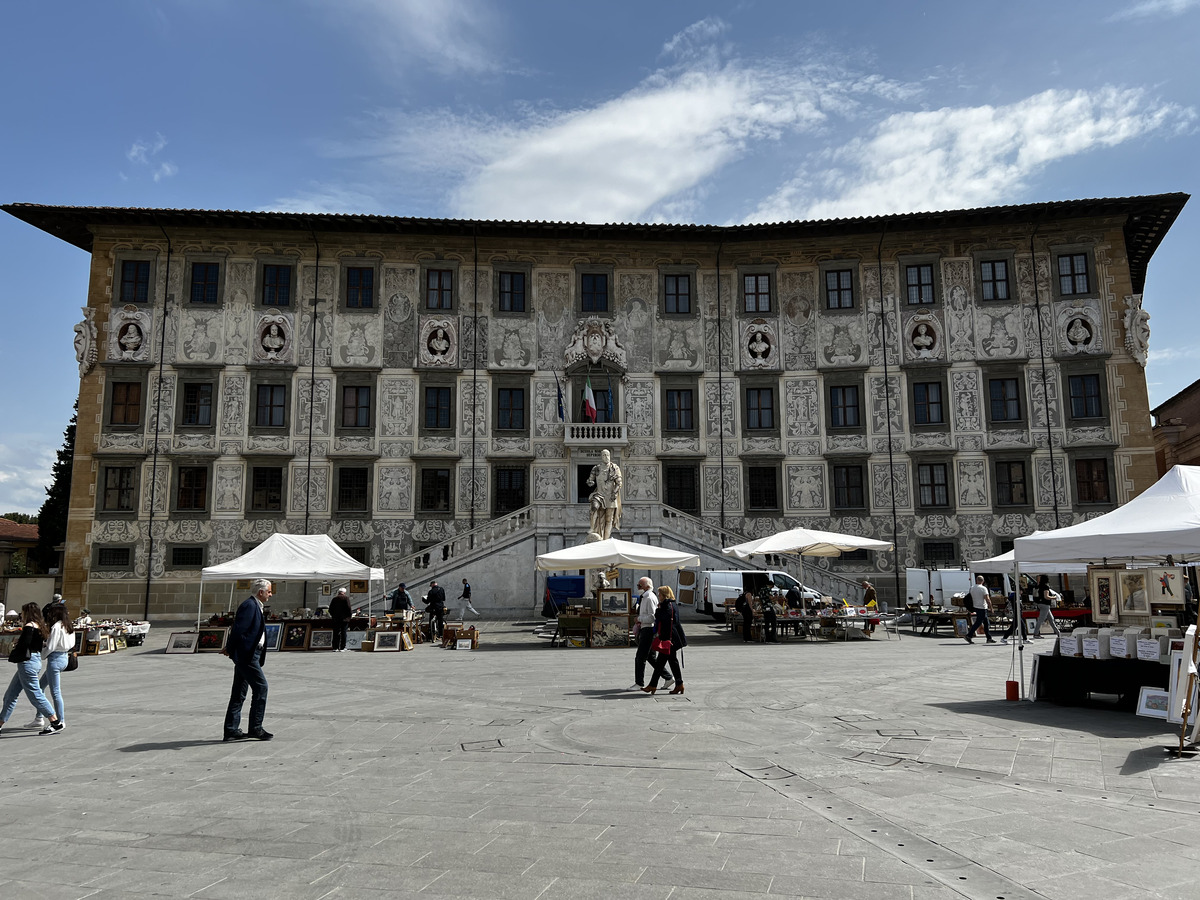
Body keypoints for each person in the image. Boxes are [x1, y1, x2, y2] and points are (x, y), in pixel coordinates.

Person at [0, 603, 63, 736]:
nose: (21, 615)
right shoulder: (40, 626)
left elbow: (24, 646)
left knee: (35, 694)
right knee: (11, 694)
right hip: (34, 660)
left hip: (27, 663)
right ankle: (0, 723)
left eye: (22, 612)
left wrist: (15, 646)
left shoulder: (29, 627)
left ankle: (55, 721)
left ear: (27, 612)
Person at [223, 578, 272, 741]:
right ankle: (256, 728)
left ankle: (231, 729)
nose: (270, 595)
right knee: (261, 687)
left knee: (239, 691)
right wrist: (231, 649)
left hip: (249, 654)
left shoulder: (255, 605)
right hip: (248, 655)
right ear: (261, 592)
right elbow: (238, 630)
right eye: (269, 591)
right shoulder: (250, 606)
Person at [37, 599, 73, 729]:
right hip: (64, 657)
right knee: (40, 687)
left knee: (55, 692)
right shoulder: (68, 625)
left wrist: (41, 655)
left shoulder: (56, 626)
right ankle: (39, 717)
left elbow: (51, 646)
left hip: (55, 659)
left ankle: (61, 720)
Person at [644, 586, 687, 695]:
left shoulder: (667, 605)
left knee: (660, 663)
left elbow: (664, 619)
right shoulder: (673, 604)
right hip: (673, 638)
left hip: (669, 639)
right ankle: (679, 684)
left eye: (659, 594)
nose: (658, 596)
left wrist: (658, 610)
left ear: (664, 595)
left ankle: (653, 685)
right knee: (672, 661)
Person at [586, 449, 623, 539]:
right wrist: (590, 482)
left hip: (610, 496)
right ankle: (592, 527)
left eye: (607, 455)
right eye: (604, 455)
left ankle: (605, 538)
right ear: (601, 457)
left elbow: (619, 483)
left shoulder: (614, 468)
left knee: (608, 519)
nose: (606, 457)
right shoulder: (596, 468)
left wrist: (615, 492)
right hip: (599, 494)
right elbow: (590, 480)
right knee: (594, 508)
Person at [630, 577, 658, 690]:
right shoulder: (645, 597)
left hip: (648, 630)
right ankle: (668, 677)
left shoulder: (649, 598)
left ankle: (639, 682)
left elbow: (652, 617)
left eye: (639, 585)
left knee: (640, 657)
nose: (638, 588)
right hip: (645, 629)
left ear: (646, 586)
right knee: (650, 657)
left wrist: (639, 619)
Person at [964, 575, 996, 644]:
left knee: (986, 623)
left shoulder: (972, 588)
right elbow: (987, 599)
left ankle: (989, 638)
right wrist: (991, 607)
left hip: (976, 606)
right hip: (982, 607)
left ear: (976, 580)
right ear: (983, 581)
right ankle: (969, 635)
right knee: (978, 622)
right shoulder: (983, 588)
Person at [1030, 574, 1061, 639]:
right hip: (1045, 604)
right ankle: (1036, 634)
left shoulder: (1037, 586)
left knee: (1051, 619)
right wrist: (1054, 597)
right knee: (1041, 619)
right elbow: (1046, 597)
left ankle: (1058, 632)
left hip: (1039, 603)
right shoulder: (1045, 587)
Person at [329, 588, 352, 652]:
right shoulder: (346, 598)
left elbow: (330, 609)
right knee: (343, 633)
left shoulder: (334, 599)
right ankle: (342, 647)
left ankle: (335, 647)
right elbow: (349, 608)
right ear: (344, 592)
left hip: (336, 619)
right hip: (344, 619)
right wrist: (349, 616)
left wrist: (333, 615)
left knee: (336, 633)